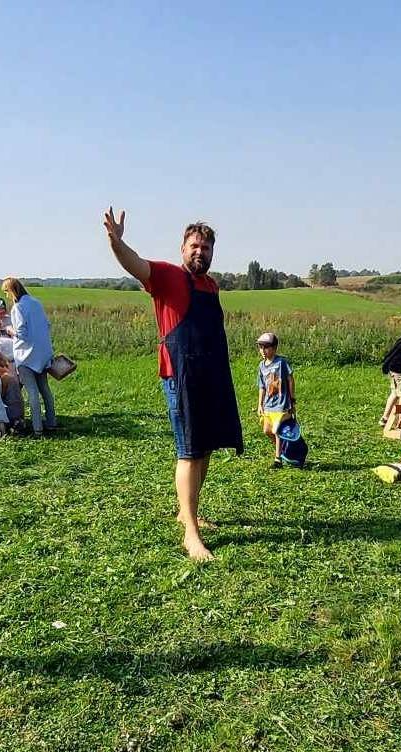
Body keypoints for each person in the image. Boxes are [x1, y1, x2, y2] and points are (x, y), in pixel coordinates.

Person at [102, 208, 243, 561]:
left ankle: (187, 511)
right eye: (195, 245)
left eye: (207, 248)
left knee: (207, 446)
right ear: (183, 248)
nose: (201, 252)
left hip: (211, 374)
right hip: (181, 376)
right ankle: (190, 533)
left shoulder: (210, 285)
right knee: (190, 450)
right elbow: (134, 263)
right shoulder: (167, 277)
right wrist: (116, 242)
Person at [1, 278, 57, 436]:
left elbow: (22, 334)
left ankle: (37, 427)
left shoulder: (18, 308)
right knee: (45, 389)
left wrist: (9, 330)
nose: (6, 296)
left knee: (32, 391)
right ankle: (51, 422)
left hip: (26, 355)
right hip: (42, 353)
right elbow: (47, 325)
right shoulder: (36, 302)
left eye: (6, 292)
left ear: (11, 291)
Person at [255, 332, 295, 467]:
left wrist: (292, 399)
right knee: (267, 430)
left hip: (282, 404)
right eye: (260, 347)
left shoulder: (281, 363)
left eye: (266, 347)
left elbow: (290, 379)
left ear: (274, 348)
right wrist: (260, 404)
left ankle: (278, 459)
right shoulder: (261, 366)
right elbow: (262, 386)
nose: (263, 351)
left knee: (277, 429)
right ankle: (284, 449)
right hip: (268, 405)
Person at [0, 351, 25, 431]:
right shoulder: (10, 374)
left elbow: (0, 397)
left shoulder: (4, 378)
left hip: (11, 410)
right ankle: (17, 422)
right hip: (19, 410)